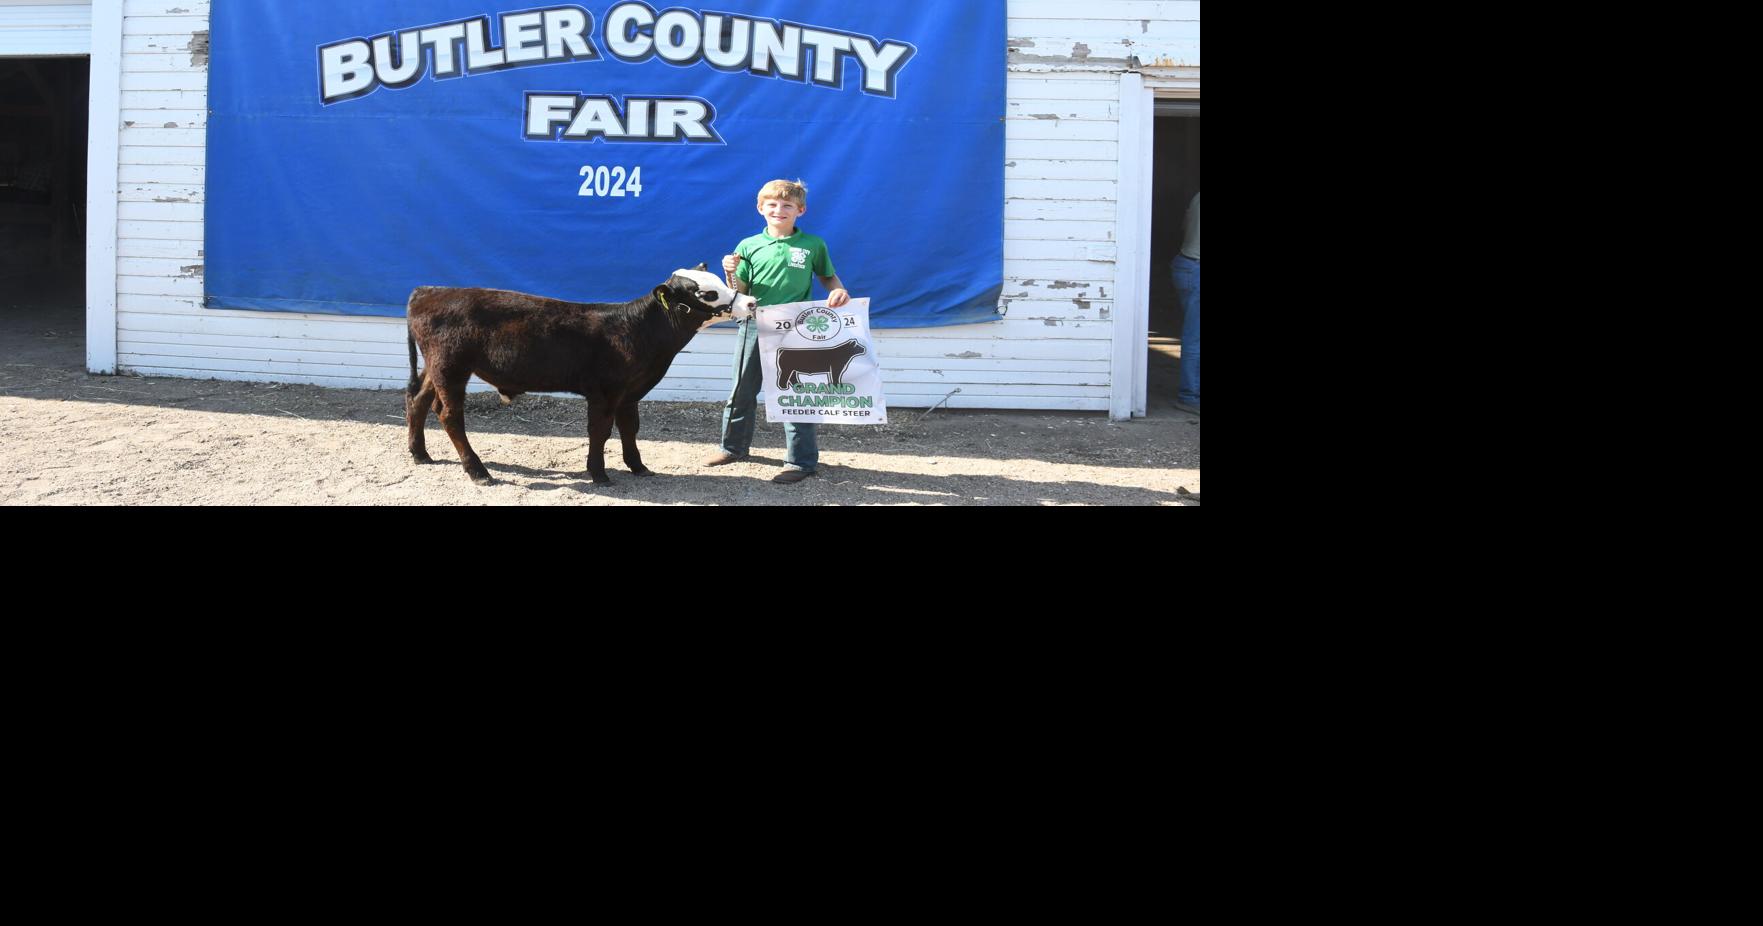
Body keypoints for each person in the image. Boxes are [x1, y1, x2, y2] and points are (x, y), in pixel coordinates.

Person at [703, 179, 850, 484]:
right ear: (761, 208)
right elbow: (739, 291)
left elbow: (829, 278)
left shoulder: (813, 245)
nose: (778, 210)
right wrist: (729, 272)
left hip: (796, 327)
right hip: (754, 324)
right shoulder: (748, 246)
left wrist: (839, 292)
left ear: (801, 210)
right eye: (771, 204)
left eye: (787, 205)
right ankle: (732, 448)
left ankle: (801, 461)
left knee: (796, 393)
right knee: (742, 390)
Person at [1169, 192, 1200, 415]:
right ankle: (1189, 396)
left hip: (1185, 264)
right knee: (1195, 336)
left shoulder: (1197, 196)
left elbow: (1184, 226)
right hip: (1197, 268)